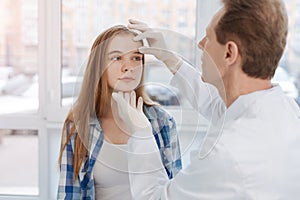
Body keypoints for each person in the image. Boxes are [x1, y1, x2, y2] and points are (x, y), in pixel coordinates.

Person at [112, 0, 300, 199]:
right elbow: (214, 105)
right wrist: (170, 58)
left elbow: (154, 197)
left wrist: (141, 133)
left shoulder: (227, 154)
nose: (201, 44)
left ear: (229, 53)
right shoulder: (283, 111)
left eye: (208, 37)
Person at [57, 25, 182, 200]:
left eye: (136, 58)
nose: (128, 67)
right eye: (116, 57)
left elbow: (176, 191)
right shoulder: (78, 124)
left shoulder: (163, 122)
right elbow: (68, 194)